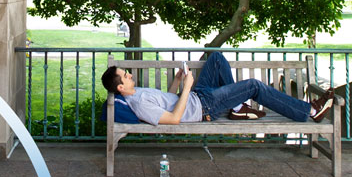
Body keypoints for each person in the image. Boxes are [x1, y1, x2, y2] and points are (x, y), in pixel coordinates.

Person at [101, 52, 334, 125]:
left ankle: (237, 106)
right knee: (254, 85)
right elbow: (173, 119)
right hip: (203, 106)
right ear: (121, 87)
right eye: (125, 75)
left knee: (216, 58)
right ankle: (309, 111)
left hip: (196, 96)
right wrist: (188, 88)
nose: (130, 74)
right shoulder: (138, 103)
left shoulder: (137, 91)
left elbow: (168, 99)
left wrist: (180, 81)